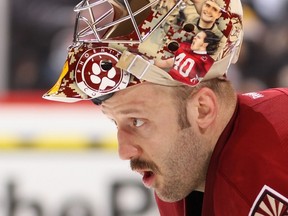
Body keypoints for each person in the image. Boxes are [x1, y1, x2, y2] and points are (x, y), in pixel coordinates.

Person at [43, 0, 288, 215]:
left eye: (137, 121)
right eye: (115, 122)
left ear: (202, 109)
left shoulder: (272, 167)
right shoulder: (183, 174)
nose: (123, 151)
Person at [155, 30, 220, 86]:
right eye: (195, 36)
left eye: (198, 37)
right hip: (168, 81)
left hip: (184, 89)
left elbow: (205, 82)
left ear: (205, 44)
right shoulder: (184, 47)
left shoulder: (208, 62)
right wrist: (151, 62)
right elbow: (168, 63)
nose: (194, 38)